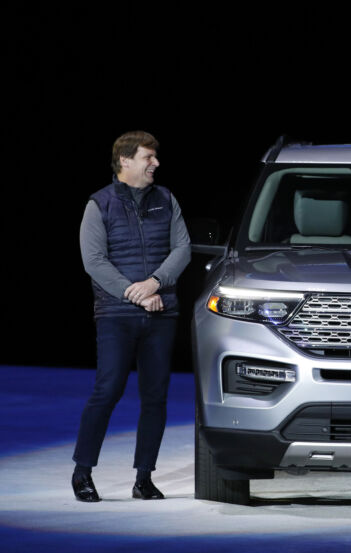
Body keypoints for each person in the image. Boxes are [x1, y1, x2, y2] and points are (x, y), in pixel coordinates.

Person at [72, 131, 191, 502]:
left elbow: (183, 248)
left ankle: (144, 478)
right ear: (125, 160)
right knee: (107, 390)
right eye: (148, 157)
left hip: (161, 311)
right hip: (117, 313)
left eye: (155, 157)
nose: (155, 163)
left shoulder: (166, 199)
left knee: (155, 396)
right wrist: (134, 293)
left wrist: (155, 282)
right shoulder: (99, 204)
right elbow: (93, 261)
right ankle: (82, 472)